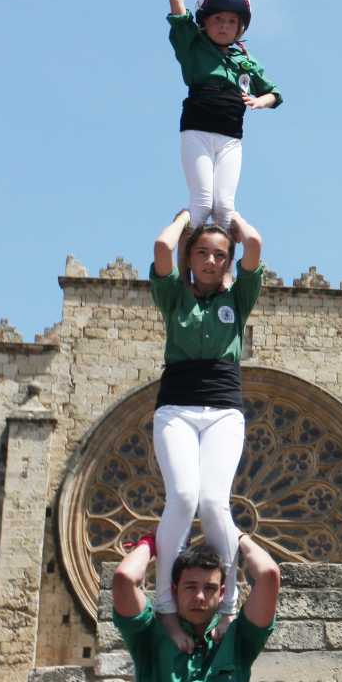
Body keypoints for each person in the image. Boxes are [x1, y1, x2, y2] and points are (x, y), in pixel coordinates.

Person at [149, 208, 264, 653]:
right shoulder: (174, 298)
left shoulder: (238, 300)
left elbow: (254, 246)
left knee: (214, 501)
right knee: (181, 497)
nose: (212, 261)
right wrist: (185, 217)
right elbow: (161, 248)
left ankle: (230, 602)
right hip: (175, 409)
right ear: (190, 257)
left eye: (220, 255)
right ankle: (164, 603)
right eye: (202, 253)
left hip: (223, 412)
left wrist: (232, 216)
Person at [112, 533, 281, 682]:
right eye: (190, 587)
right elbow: (124, 579)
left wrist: (235, 535)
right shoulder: (150, 635)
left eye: (210, 588)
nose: (200, 597)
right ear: (174, 589)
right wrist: (151, 543)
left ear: (223, 593)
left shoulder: (239, 638)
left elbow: (268, 575)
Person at [169, 0, 282, 229]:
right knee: (202, 204)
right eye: (218, 19)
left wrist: (260, 101)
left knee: (224, 208)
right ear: (205, 21)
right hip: (197, 130)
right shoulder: (193, 46)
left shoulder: (244, 58)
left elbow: (275, 93)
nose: (224, 26)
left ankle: (223, 272)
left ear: (240, 27)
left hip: (231, 136)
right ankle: (184, 267)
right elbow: (175, 2)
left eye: (232, 21)